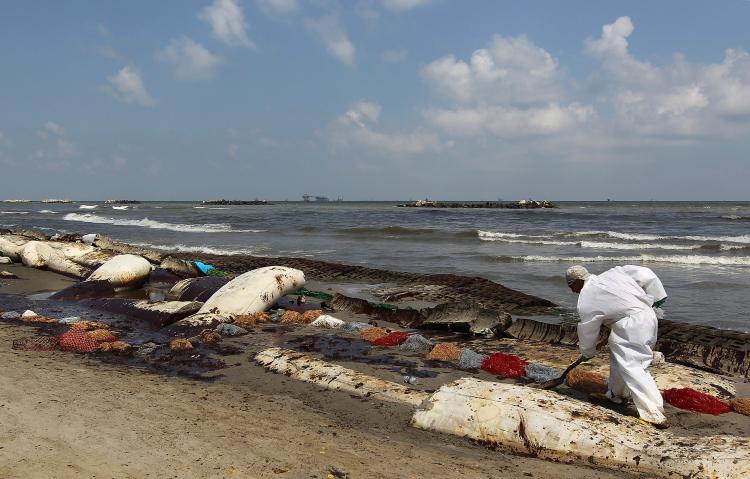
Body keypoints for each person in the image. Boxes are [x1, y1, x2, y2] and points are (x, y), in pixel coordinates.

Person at [566, 264, 669, 428]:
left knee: (633, 366)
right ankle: (616, 395)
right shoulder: (614, 273)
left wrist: (587, 352)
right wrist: (658, 295)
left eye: (571, 286)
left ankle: (653, 413)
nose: (572, 291)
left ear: (578, 281)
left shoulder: (586, 299)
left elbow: (588, 330)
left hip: (631, 326)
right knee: (619, 358)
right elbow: (644, 273)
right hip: (648, 318)